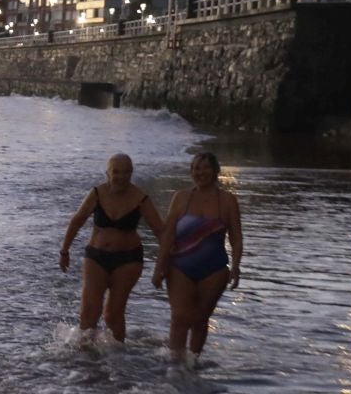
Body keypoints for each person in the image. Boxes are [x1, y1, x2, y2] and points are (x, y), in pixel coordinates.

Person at [57, 153, 166, 343]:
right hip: (96, 257)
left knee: (112, 315)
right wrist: (64, 251)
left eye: (126, 172)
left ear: (131, 173)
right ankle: (84, 360)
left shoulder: (141, 198)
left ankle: (118, 359)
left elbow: (161, 232)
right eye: (116, 172)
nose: (121, 177)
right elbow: (77, 221)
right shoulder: (97, 193)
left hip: (128, 260)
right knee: (89, 312)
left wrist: (163, 265)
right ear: (107, 173)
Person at [154, 151, 243, 362]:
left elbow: (236, 237)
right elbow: (168, 235)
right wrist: (159, 267)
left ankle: (193, 362)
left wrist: (236, 267)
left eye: (205, 168)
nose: (200, 173)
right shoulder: (181, 198)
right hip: (180, 266)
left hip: (214, 269)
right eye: (195, 168)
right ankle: (175, 365)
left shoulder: (228, 201)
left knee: (201, 319)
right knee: (180, 317)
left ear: (216, 171)